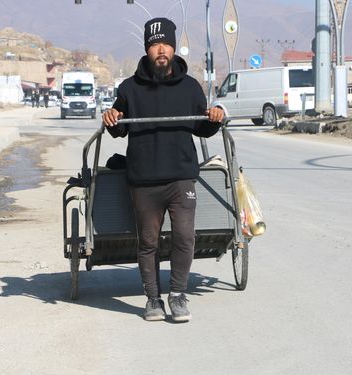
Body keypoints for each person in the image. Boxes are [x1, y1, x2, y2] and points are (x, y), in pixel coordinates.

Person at [102, 17, 224, 322]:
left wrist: (214, 118)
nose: (161, 50)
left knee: (185, 237)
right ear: (147, 49)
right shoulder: (129, 88)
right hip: (143, 180)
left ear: (173, 48)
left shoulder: (191, 86)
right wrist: (112, 118)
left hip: (181, 177)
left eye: (165, 44)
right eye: (155, 44)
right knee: (148, 242)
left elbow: (201, 128)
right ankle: (153, 300)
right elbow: (119, 129)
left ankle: (178, 296)